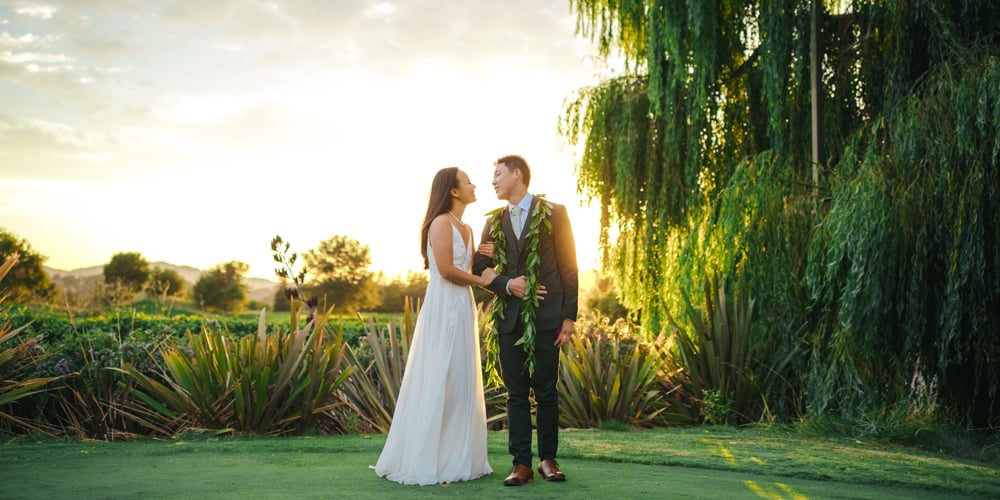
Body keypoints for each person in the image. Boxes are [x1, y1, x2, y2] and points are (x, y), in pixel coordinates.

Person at [374, 167, 496, 485]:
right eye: (467, 181)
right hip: (443, 306)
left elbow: (469, 269)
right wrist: (483, 282)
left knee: (461, 380)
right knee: (441, 374)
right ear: (454, 191)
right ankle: (428, 458)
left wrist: (489, 258)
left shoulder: (467, 228)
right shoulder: (441, 222)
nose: (474, 185)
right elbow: (446, 270)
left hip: (463, 305)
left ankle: (456, 457)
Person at [473, 154, 578, 486]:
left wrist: (569, 316)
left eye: (498, 174)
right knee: (516, 393)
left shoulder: (555, 213)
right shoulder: (493, 223)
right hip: (509, 320)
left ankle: (548, 460)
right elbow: (480, 267)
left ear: (517, 174)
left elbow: (569, 265)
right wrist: (507, 285)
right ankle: (521, 464)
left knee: (547, 391)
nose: (493, 181)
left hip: (548, 317)